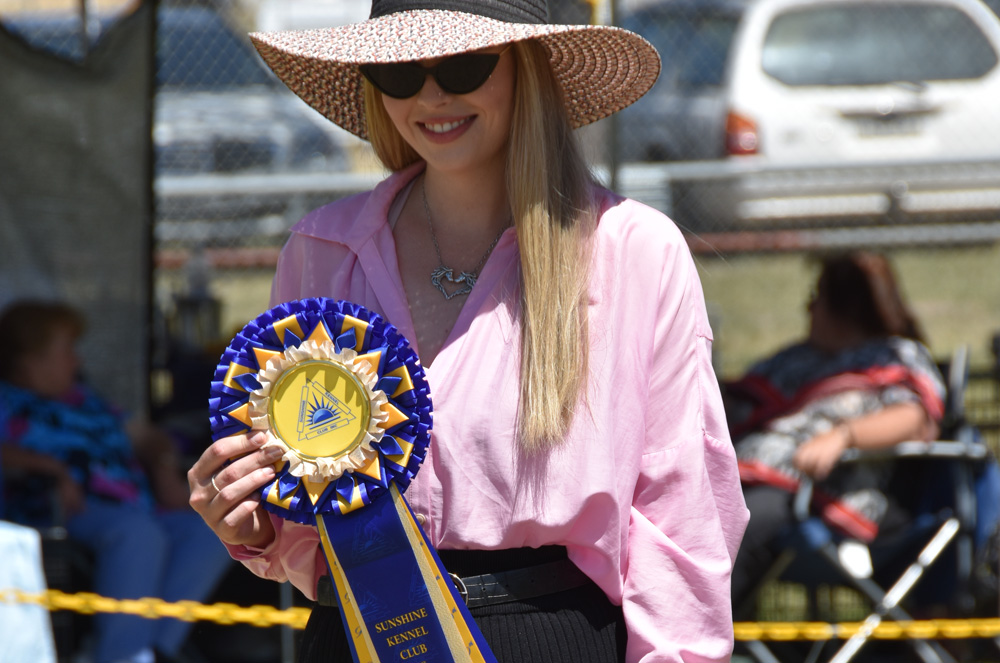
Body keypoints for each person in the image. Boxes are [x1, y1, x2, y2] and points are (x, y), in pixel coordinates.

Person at [188, 2, 749, 661]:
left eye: (461, 63)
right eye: (399, 71)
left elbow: (681, 518)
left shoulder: (634, 251)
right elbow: (301, 523)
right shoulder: (321, 251)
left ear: (529, 69)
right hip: (354, 635)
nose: (430, 94)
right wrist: (251, 519)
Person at [0, 300, 233, 663]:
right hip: (56, 510)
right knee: (137, 533)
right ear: (31, 359)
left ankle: (154, 650)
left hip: (133, 506)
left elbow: (147, 437)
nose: (76, 361)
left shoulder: (85, 400)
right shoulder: (7, 402)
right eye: (66, 351)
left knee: (211, 531)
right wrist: (48, 467)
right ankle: (124, 655)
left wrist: (162, 465)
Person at [725, 252, 946, 616]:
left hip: (829, 495)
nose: (807, 308)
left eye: (816, 298)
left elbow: (914, 416)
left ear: (845, 308)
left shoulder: (894, 355)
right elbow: (738, 399)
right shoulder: (796, 358)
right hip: (754, 481)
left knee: (742, 520)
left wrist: (842, 436)